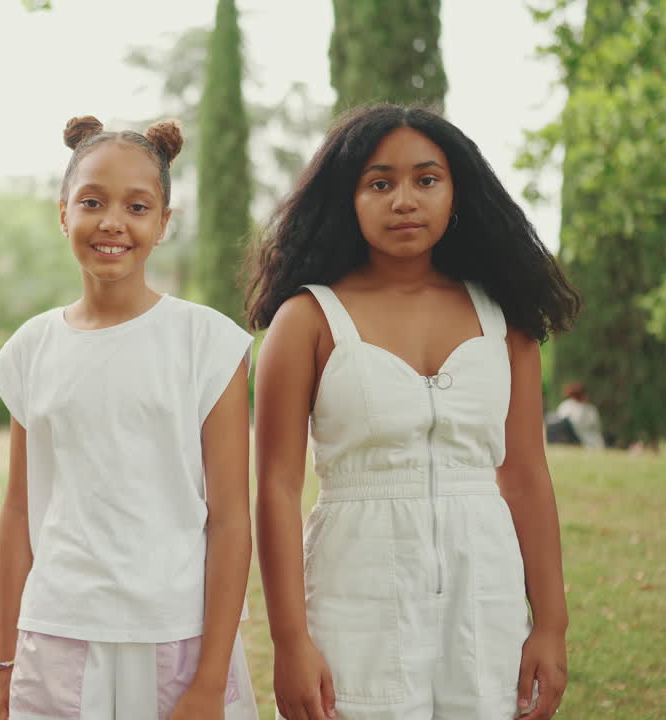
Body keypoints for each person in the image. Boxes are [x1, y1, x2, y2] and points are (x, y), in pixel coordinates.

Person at [247, 104, 580, 720]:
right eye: (380, 183)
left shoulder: (504, 321)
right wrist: (290, 641)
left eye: (426, 179)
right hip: (356, 590)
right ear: (348, 198)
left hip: (485, 590)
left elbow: (527, 476)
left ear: (457, 193)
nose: (404, 199)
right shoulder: (307, 320)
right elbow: (275, 486)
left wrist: (551, 624)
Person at [0, 116, 259, 720]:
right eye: (92, 201)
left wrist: (211, 681)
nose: (113, 222)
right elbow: (19, 513)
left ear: (163, 223)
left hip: (177, 638)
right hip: (57, 632)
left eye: (137, 206)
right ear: (63, 213)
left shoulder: (205, 342)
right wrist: (4, 672)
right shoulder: (31, 348)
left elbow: (232, 519)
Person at [552, 382, 605, 449]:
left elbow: (597, 428)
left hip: (590, 442)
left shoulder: (591, 409)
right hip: (574, 441)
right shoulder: (567, 406)